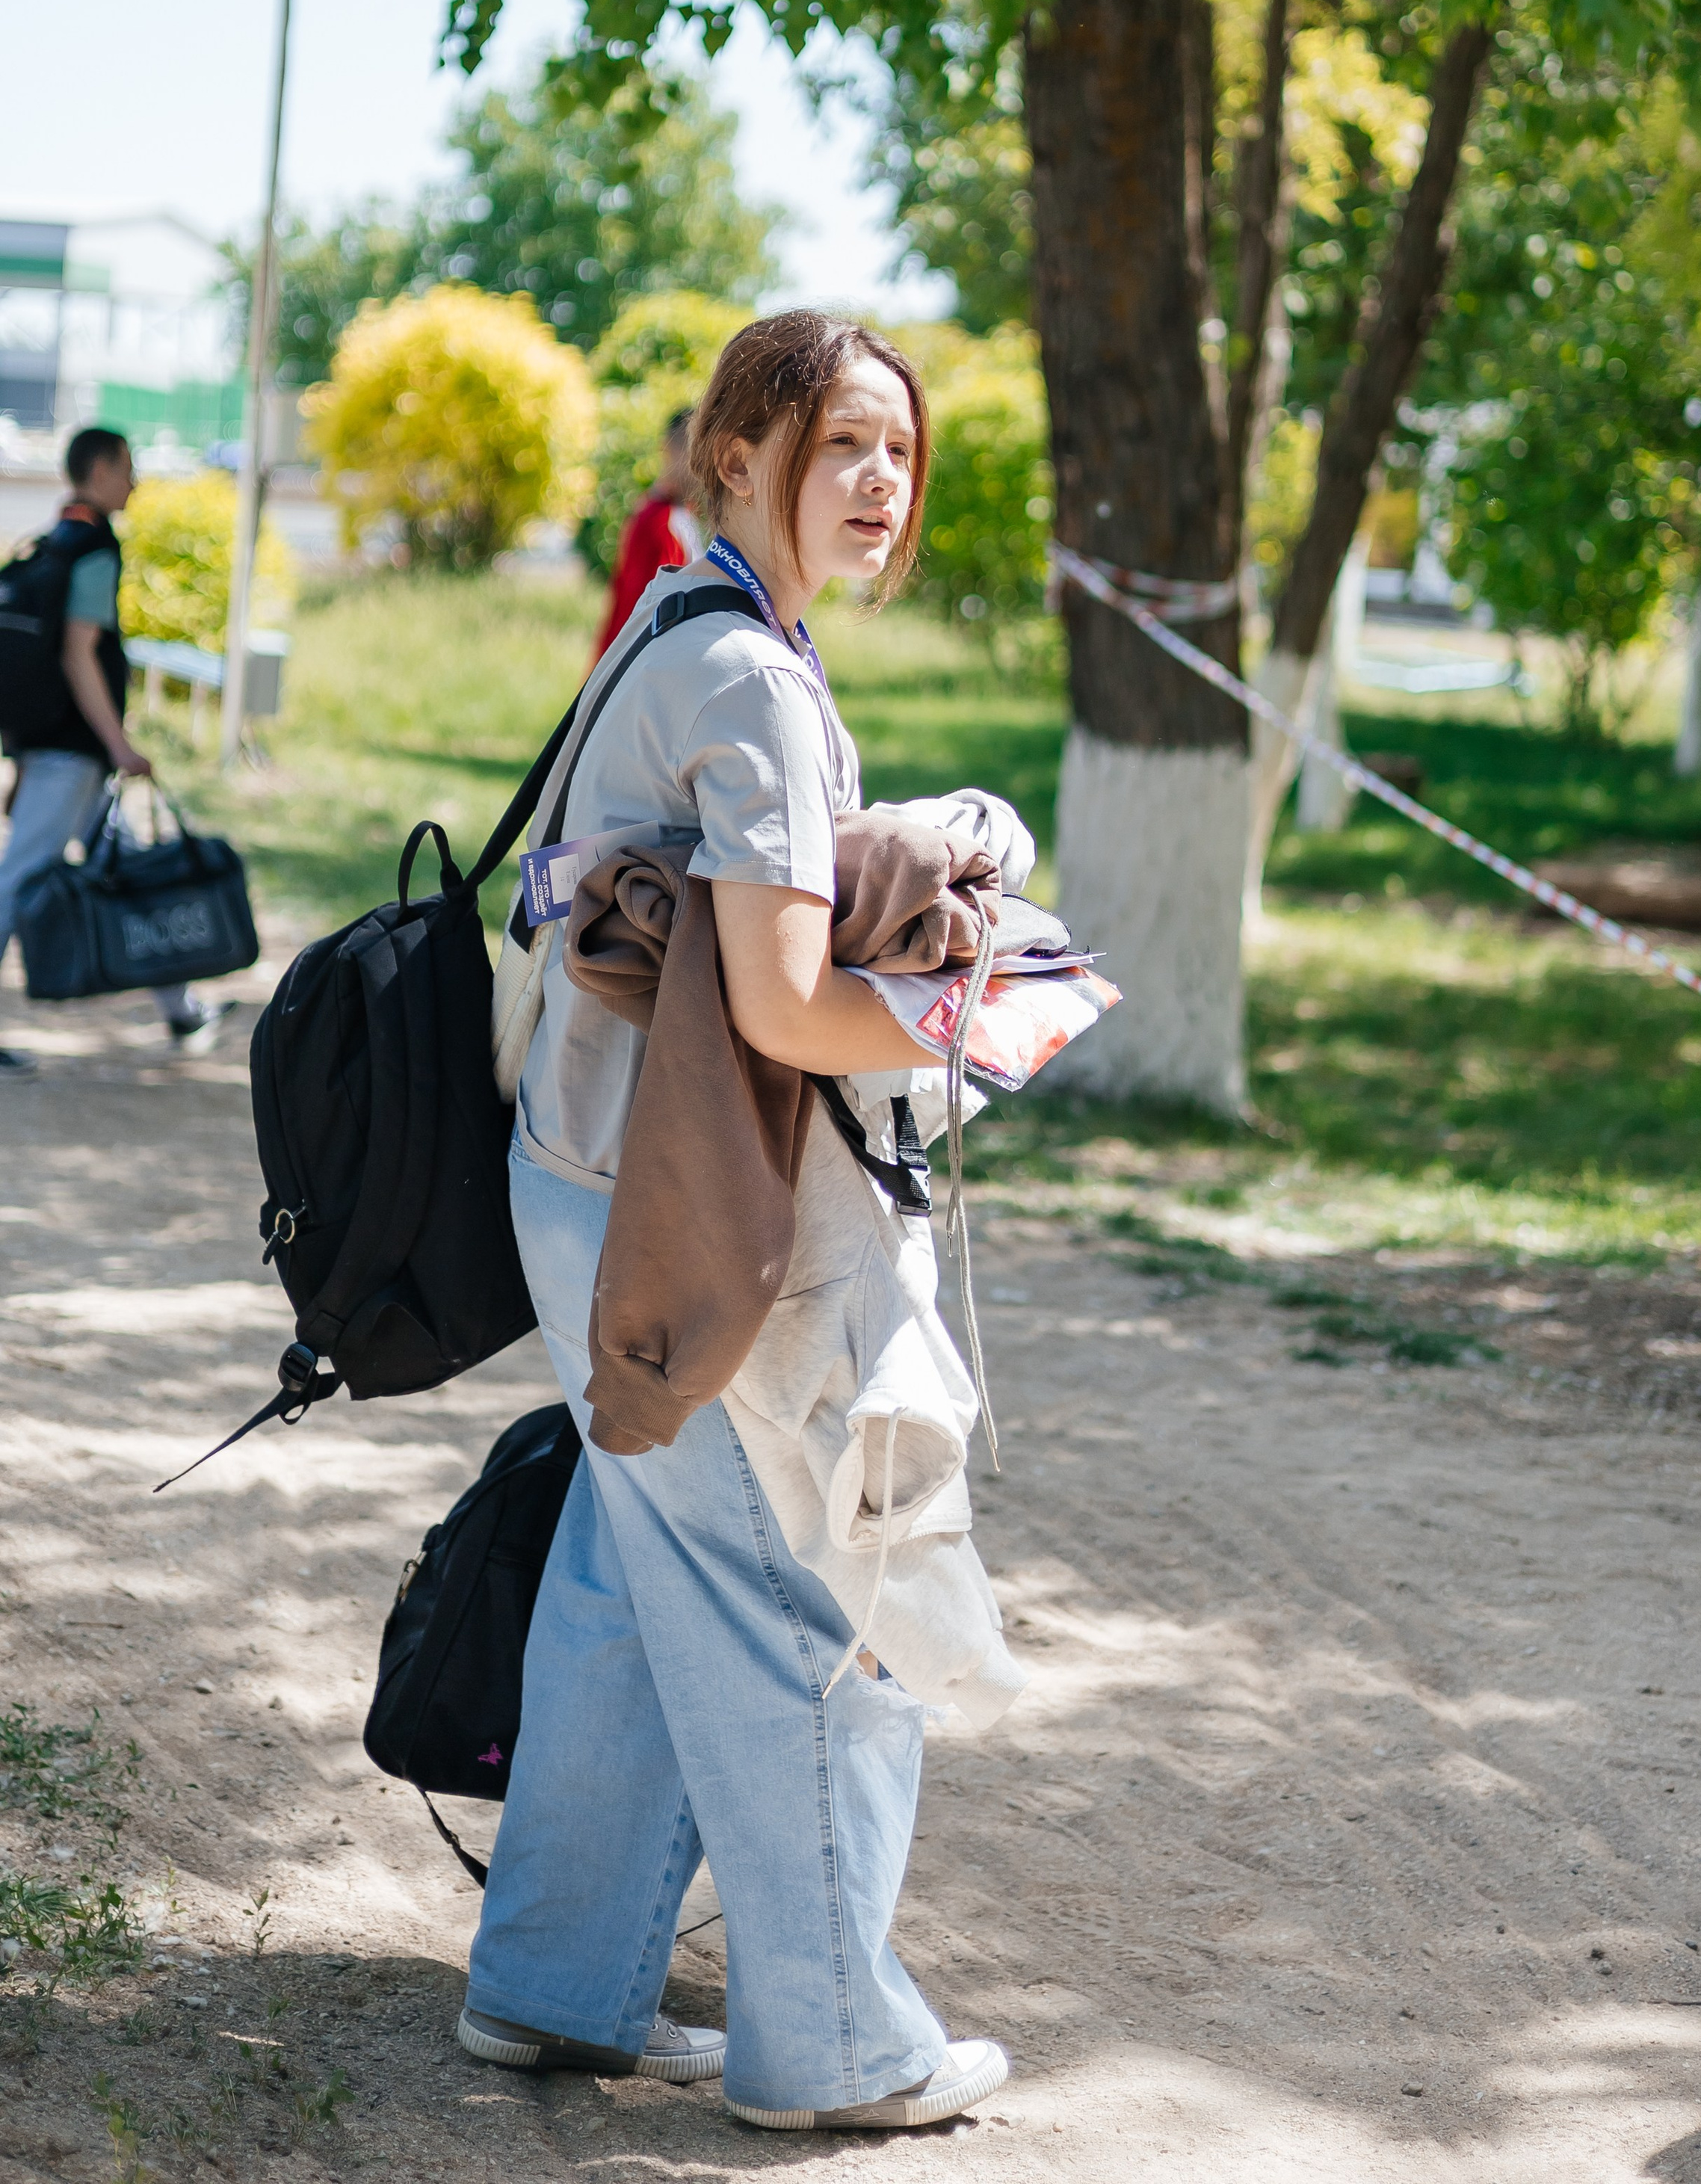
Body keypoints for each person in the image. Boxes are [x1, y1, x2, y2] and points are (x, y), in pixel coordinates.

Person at [460, 312, 1016, 2132]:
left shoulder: (689, 619)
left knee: (635, 1583)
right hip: (674, 1215)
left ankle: (550, 1983)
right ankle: (834, 2048)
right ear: (736, 455)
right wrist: (976, 1021)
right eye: (839, 441)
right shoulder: (758, 681)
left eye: (898, 453)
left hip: (589, 1174)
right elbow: (781, 1008)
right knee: (796, 1598)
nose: (876, 480)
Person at [0, 426, 223, 1077]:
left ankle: (182, 1007)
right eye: (128, 468)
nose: (135, 481)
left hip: (53, 745)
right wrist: (120, 746)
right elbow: (78, 653)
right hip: (75, 750)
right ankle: (182, 1007)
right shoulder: (94, 547)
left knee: (130, 867)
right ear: (100, 470)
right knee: (18, 877)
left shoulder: (45, 541)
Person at [593, 406, 702, 659]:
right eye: (695, 450)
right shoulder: (662, 521)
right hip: (636, 665)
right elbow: (657, 612)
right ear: (670, 449)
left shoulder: (676, 514)